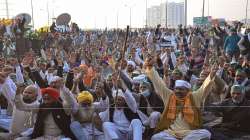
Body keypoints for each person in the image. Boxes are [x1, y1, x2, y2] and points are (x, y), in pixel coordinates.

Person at [143, 57, 218, 140]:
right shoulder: (170, 95)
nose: (178, 91)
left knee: (206, 133)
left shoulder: (193, 97)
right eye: (176, 89)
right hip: (171, 133)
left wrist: (211, 75)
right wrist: (150, 68)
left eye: (181, 89)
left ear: (187, 90)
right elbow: (158, 83)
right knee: (156, 137)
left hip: (189, 133)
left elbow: (204, 88)